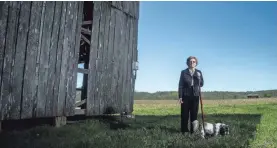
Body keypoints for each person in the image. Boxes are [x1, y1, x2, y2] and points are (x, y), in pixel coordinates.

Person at [178, 56, 204, 134]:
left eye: (194, 62)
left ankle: (193, 131)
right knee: (184, 115)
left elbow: (202, 84)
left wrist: (198, 78)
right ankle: (184, 131)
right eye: (190, 61)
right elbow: (180, 85)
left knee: (194, 114)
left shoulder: (198, 72)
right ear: (187, 63)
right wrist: (180, 97)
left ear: (196, 63)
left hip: (195, 95)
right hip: (185, 95)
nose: (192, 63)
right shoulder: (184, 72)